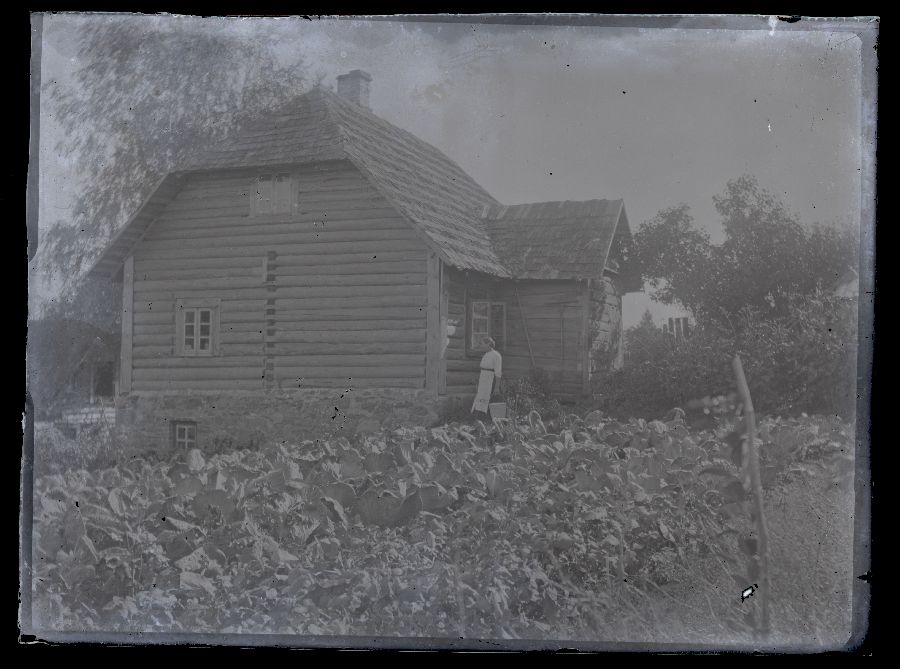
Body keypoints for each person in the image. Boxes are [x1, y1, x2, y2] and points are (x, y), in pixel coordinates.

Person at [472, 337, 502, 414]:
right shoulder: (485, 354)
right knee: (480, 398)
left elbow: (498, 372)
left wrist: (496, 387)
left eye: (482, 344)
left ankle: (488, 417)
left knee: (487, 398)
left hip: (490, 380)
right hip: (483, 380)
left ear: (488, 344)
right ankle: (478, 417)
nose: (481, 346)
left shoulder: (496, 355)